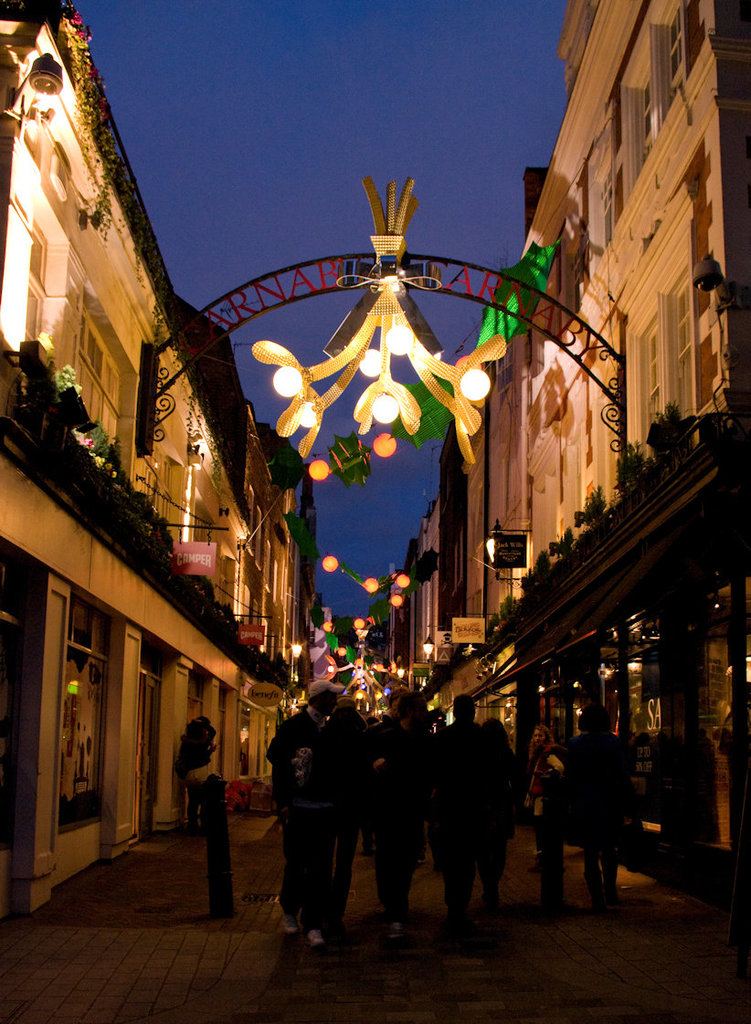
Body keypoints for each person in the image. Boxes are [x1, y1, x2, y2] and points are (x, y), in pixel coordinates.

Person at [266, 678, 343, 949]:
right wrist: (283, 802)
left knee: (322, 869)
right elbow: (277, 761)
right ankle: (289, 910)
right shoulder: (293, 727)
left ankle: (313, 924)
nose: (334, 701)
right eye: (330, 697)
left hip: (325, 810)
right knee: (297, 863)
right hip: (298, 808)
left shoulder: (331, 730)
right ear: (318, 698)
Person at [369, 690, 432, 944]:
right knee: (387, 862)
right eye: (420, 709)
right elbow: (367, 762)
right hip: (387, 812)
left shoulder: (425, 740)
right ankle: (392, 905)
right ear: (409, 711)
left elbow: (430, 771)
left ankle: (397, 911)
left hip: (412, 812)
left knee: (405, 864)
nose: (423, 714)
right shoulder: (386, 737)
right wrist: (374, 763)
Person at [431, 694, 493, 938]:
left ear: (454, 712)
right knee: (467, 862)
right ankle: (460, 909)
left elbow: (435, 772)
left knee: (451, 862)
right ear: (473, 711)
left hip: (449, 807)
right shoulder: (480, 738)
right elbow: (487, 772)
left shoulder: (443, 737)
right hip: (473, 808)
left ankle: (452, 908)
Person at [567, 703, 635, 912]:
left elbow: (571, 777)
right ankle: (610, 891)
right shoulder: (613, 743)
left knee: (590, 852)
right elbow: (622, 775)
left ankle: (597, 898)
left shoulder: (575, 744)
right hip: (610, 803)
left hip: (586, 804)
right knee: (609, 850)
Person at [322, 694, 368, 938]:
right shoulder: (361, 736)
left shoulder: (326, 735)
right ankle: (336, 913)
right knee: (343, 864)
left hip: (329, 807)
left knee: (326, 861)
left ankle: (326, 911)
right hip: (351, 808)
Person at [477, 718, 519, 911]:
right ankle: (493, 883)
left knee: (483, 850)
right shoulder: (506, 754)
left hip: (481, 805)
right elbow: (515, 778)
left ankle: (488, 885)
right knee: (499, 848)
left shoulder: (477, 754)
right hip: (501, 803)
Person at [525, 723, 565, 870]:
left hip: (542, 795)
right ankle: (543, 858)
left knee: (541, 829)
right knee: (540, 828)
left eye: (540, 736)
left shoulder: (547, 753)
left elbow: (559, 767)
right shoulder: (538, 754)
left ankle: (543, 859)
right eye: (535, 736)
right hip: (538, 794)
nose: (537, 739)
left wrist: (547, 777)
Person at [175, 716, 216, 834]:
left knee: (193, 800)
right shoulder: (204, 740)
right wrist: (204, 724)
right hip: (201, 773)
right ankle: (204, 827)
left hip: (189, 774)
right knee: (204, 801)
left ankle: (192, 826)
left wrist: (195, 723)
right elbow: (213, 731)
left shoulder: (186, 742)